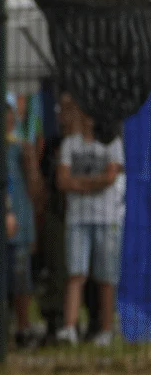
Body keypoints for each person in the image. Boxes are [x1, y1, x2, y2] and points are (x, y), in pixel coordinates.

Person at [55, 93, 125, 346]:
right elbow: (63, 181)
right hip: (78, 219)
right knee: (76, 273)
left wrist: (79, 184)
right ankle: (70, 327)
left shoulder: (112, 143)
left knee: (106, 277)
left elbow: (110, 177)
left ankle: (106, 329)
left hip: (106, 218)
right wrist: (92, 184)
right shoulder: (70, 145)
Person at [0, 96, 42, 348]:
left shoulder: (21, 148)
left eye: (10, 117)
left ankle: (23, 329)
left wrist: (32, 162)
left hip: (21, 225)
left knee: (21, 279)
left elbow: (35, 191)